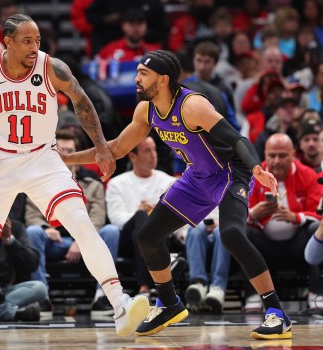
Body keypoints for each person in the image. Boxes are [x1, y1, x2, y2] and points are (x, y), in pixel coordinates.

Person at [0, 14, 149, 342]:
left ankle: (120, 305)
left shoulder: (51, 67)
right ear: (7, 41)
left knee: (82, 224)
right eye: (26, 41)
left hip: (42, 158)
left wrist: (102, 146)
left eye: (37, 41)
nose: (35, 47)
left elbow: (81, 100)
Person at [61, 50, 292, 340]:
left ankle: (276, 313)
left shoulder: (192, 105)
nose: (136, 79)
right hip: (196, 177)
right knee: (146, 236)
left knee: (231, 234)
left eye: (143, 74)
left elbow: (237, 138)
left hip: (230, 172)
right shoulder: (145, 110)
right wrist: (65, 159)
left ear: (163, 79)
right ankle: (170, 303)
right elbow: (117, 148)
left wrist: (257, 167)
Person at [25, 130, 120, 316]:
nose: (64, 155)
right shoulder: (37, 183)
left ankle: (103, 296)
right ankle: (41, 296)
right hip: (56, 242)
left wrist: (82, 238)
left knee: (111, 231)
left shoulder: (93, 183)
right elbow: (31, 215)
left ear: (77, 153)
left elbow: (98, 217)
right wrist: (46, 228)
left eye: (69, 150)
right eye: (61, 150)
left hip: (87, 240)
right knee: (33, 232)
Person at [244, 133, 323, 313]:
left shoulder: (307, 174)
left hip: (298, 246)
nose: (276, 161)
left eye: (282, 155)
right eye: (272, 155)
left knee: (315, 229)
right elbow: (235, 215)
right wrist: (252, 214)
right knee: (244, 232)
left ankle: (316, 292)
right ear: (264, 155)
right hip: (264, 246)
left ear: (293, 154)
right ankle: (253, 293)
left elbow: (320, 214)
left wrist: (297, 218)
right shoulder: (253, 177)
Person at [104, 136, 178, 296]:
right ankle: (161, 275)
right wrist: (140, 211)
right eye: (147, 150)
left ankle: (144, 287)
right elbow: (117, 220)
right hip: (127, 241)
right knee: (140, 217)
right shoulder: (117, 183)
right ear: (132, 156)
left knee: (143, 230)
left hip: (160, 237)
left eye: (154, 149)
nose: (153, 155)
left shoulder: (168, 181)